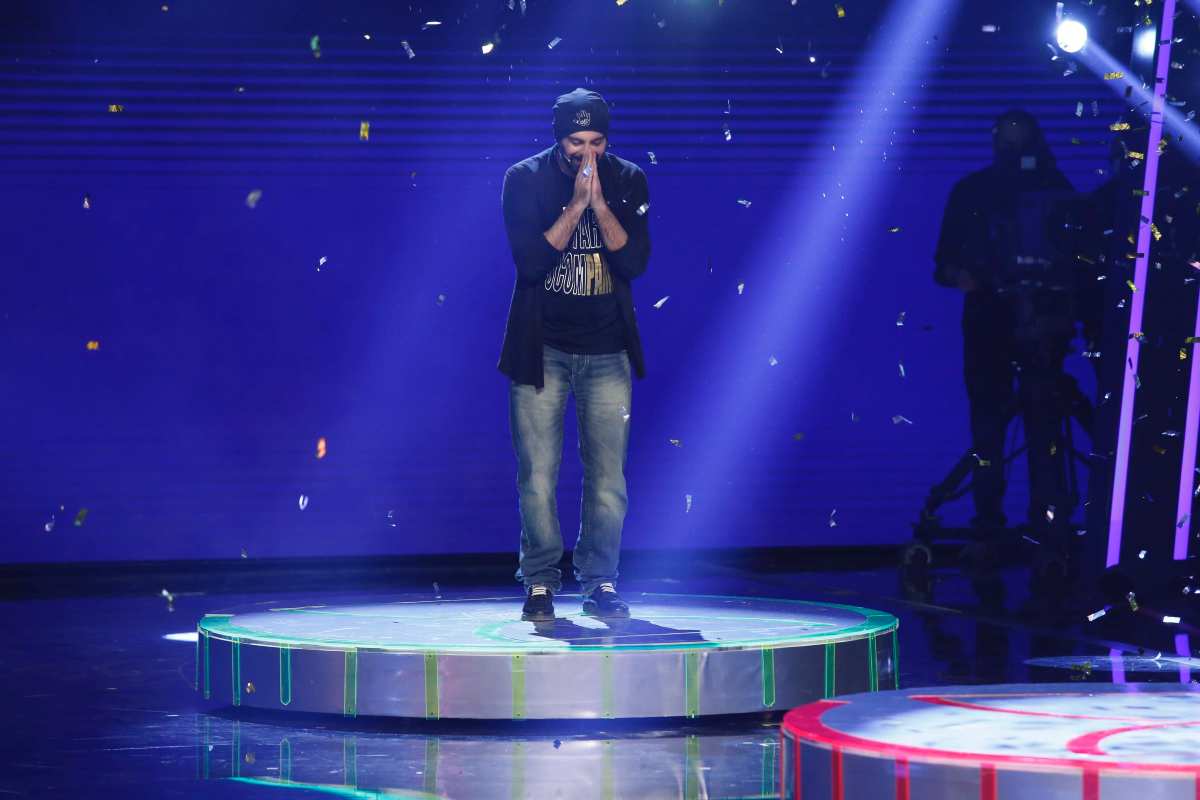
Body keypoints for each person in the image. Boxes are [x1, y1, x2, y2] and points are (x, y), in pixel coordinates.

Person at [498, 88, 651, 621]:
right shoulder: (523, 179)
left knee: (608, 479)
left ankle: (600, 581)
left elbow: (634, 262)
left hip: (607, 350)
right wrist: (576, 206)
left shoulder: (628, 179)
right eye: (576, 142)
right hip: (540, 349)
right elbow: (531, 263)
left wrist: (601, 205)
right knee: (537, 475)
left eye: (597, 142)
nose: (587, 154)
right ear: (558, 138)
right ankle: (540, 581)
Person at [934, 109, 1089, 536]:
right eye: (1007, 138)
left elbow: (1076, 258)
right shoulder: (973, 192)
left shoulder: (1055, 190)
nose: (1013, 147)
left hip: (1041, 325)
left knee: (1042, 426)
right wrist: (968, 276)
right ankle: (990, 524)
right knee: (992, 428)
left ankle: (1044, 524)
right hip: (991, 326)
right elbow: (943, 264)